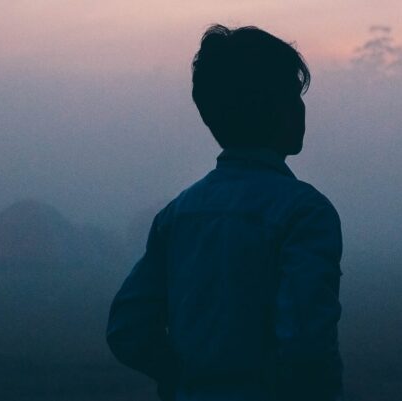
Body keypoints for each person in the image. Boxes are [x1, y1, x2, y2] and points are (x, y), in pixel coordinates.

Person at [106, 24, 343, 401]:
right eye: (292, 96)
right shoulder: (305, 213)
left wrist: (185, 376)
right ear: (274, 108)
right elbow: (305, 344)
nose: (302, 108)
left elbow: (126, 328)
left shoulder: (178, 215)